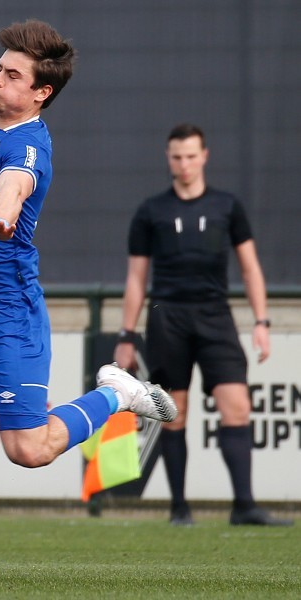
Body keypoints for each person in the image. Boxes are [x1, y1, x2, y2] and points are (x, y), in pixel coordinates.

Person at [0, 20, 178, 582]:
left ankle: (116, 396)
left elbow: (14, 186)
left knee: (28, 449)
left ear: (40, 92)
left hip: (9, 314)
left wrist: (1, 217)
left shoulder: (30, 143)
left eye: (11, 75)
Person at [113, 123, 293, 528]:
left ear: (205, 156)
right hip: (167, 318)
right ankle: (179, 508)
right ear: (168, 158)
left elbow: (250, 268)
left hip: (215, 317)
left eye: (192, 156)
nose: (185, 164)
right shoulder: (151, 211)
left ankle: (244, 506)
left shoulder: (227, 206)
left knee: (237, 407)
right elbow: (137, 278)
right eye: (177, 157)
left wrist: (262, 322)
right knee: (174, 413)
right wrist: (127, 334)